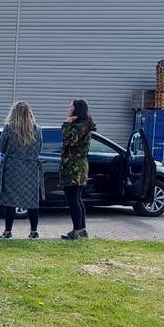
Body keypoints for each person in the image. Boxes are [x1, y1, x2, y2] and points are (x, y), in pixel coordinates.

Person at [0, 101, 43, 239]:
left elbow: (1, 147)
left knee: (11, 200)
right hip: (31, 168)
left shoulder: (9, 128)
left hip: (12, 168)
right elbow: (40, 147)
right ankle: (34, 231)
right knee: (32, 200)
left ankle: (7, 231)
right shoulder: (37, 129)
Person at [59, 98, 96, 240]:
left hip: (75, 168)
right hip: (76, 166)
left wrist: (66, 124)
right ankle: (82, 230)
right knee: (76, 198)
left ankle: (77, 231)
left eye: (71, 106)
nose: (69, 108)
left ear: (77, 109)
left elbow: (68, 141)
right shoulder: (82, 124)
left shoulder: (79, 125)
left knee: (73, 199)